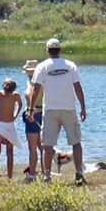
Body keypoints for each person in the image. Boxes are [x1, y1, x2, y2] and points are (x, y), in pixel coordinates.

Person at [26, 37, 87, 185]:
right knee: (76, 142)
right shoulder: (70, 65)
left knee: (47, 144)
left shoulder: (42, 66)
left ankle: (47, 176)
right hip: (69, 108)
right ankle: (79, 173)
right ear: (59, 50)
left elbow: (36, 89)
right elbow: (77, 86)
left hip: (50, 109)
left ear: (47, 51)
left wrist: (31, 108)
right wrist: (83, 106)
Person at [0, 77, 24, 179]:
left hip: (10, 125)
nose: (8, 94)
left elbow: (20, 104)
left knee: (10, 151)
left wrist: (15, 115)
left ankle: (10, 175)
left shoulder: (16, 95)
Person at [20, 60, 43, 180]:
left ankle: (32, 173)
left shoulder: (31, 82)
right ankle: (45, 172)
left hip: (33, 114)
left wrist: (30, 110)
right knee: (42, 146)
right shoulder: (44, 81)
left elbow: (29, 94)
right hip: (43, 112)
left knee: (32, 147)